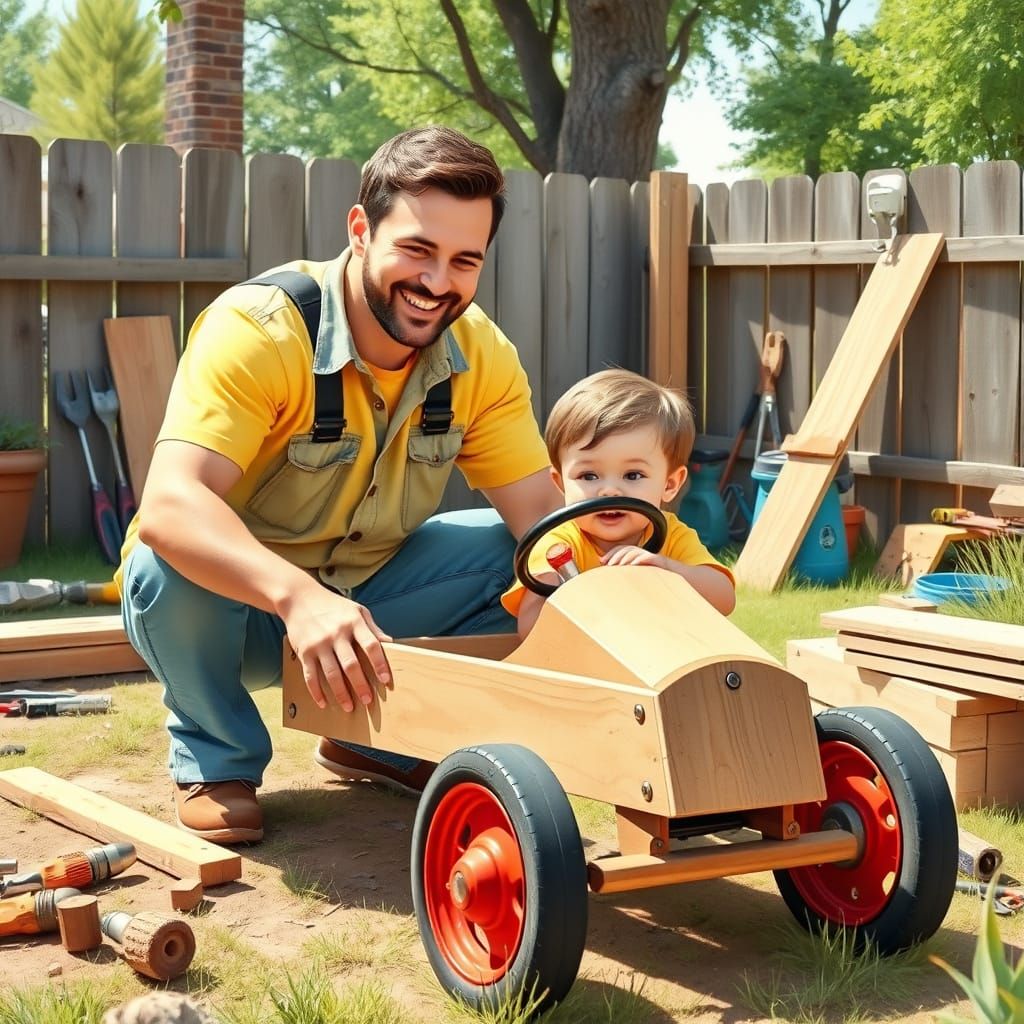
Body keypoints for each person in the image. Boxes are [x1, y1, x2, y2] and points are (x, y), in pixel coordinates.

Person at [117, 126, 561, 844]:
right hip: (239, 612)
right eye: (417, 250)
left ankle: (375, 739)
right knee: (163, 561)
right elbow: (172, 503)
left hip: (374, 600)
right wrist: (299, 598)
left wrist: (568, 585)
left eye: (464, 261)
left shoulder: (484, 357)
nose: (438, 283)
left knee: (525, 560)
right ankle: (217, 760)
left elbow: (542, 513)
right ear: (361, 229)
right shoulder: (260, 331)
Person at [502, 368, 736, 636]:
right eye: (588, 475)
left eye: (632, 475)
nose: (610, 491)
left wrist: (669, 570)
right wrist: (559, 593)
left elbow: (724, 599)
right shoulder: (558, 545)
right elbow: (529, 630)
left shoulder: (673, 537)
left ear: (669, 484)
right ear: (560, 484)